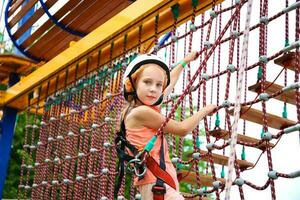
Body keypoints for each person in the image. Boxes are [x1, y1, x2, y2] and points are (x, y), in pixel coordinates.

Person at [115, 52, 217, 200]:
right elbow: (182, 129)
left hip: (160, 182)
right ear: (132, 84)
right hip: (157, 183)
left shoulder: (142, 108)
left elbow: (169, 84)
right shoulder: (142, 112)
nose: (153, 89)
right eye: (147, 82)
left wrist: (184, 61)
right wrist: (205, 110)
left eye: (158, 85)